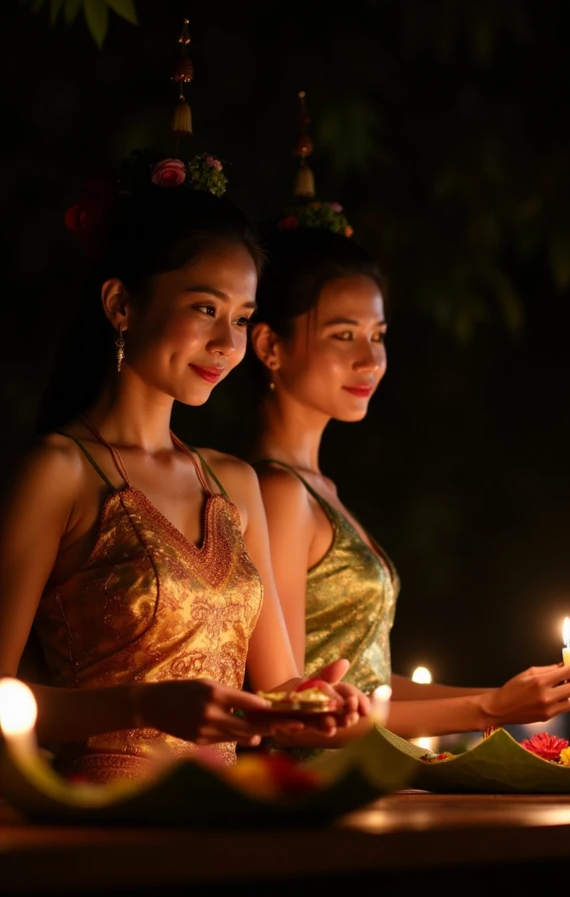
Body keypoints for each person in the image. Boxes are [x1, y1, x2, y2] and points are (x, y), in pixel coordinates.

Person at [0, 168, 368, 784]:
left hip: (220, 818)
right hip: (98, 826)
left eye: (243, 317)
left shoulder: (233, 482)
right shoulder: (59, 471)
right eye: (205, 308)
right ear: (121, 304)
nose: (227, 342)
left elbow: (276, 690)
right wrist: (145, 705)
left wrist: (314, 705)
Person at [248, 223, 570, 742]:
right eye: (343, 335)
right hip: (311, 796)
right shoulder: (278, 493)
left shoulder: (315, 488)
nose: (370, 359)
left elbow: (367, 682)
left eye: (378, 336)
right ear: (268, 345)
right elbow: (291, 704)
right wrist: (486, 708)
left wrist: (508, 700)